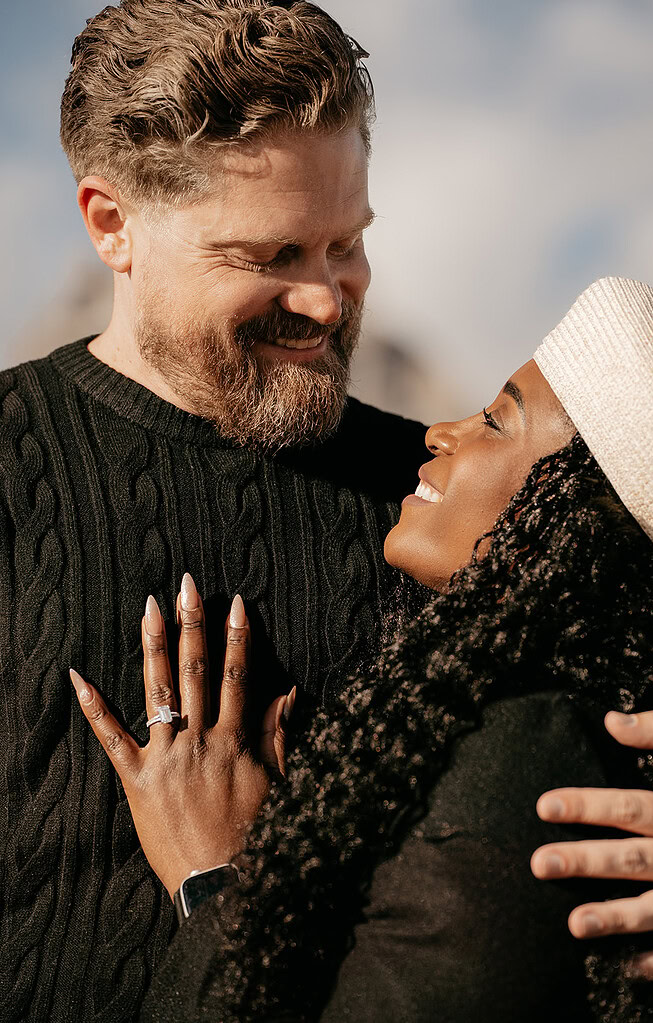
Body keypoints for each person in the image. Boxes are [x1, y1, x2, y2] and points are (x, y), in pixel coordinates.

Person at [74, 276, 653, 1020]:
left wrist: (217, 880)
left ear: (579, 520)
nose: (440, 431)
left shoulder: (533, 760)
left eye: (495, 421)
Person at [0, 5, 427, 1022]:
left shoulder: (443, 497)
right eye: (270, 255)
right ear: (112, 225)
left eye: (345, 244)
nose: (326, 298)